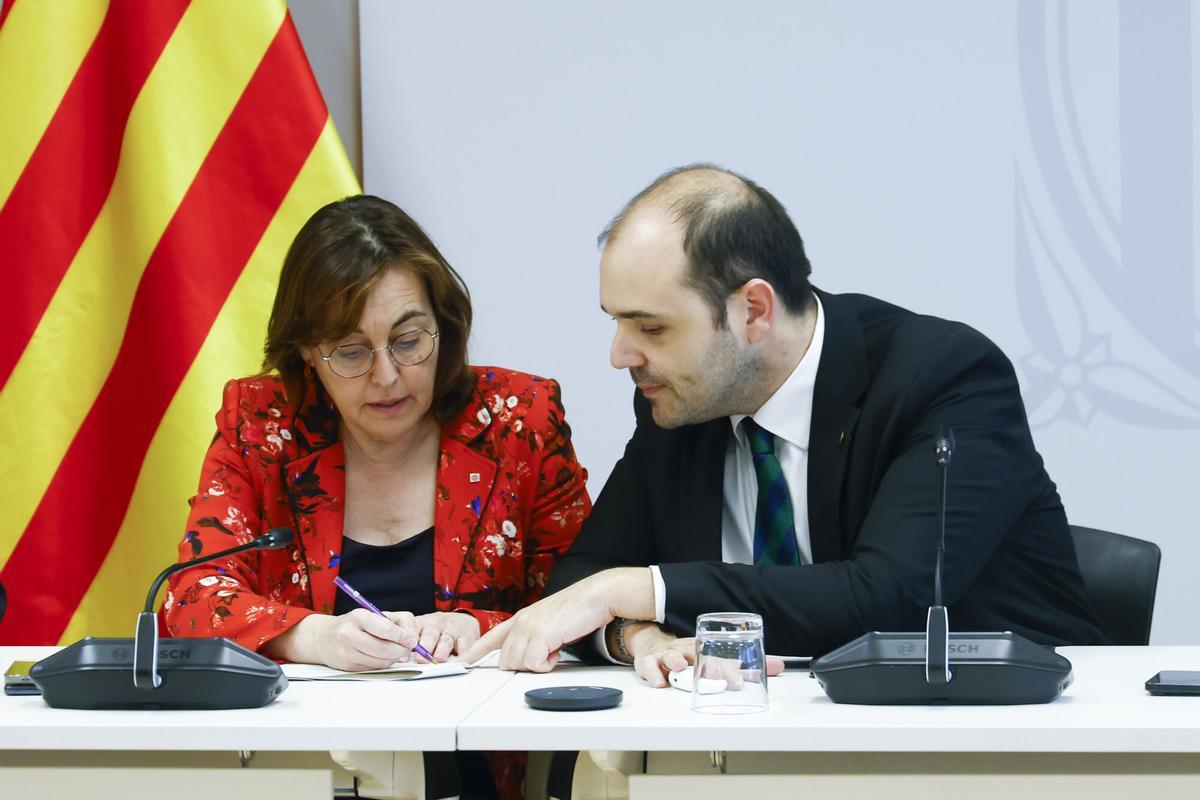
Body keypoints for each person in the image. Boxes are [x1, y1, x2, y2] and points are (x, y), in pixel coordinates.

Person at [466, 164, 1109, 686]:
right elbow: (585, 581)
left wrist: (641, 589)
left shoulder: (945, 379)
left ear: (753, 310)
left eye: (650, 327)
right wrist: (639, 633)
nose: (621, 355)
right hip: (769, 743)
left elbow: (890, 601)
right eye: (616, 322)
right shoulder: (678, 403)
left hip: (1002, 739)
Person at [164, 194, 590, 798]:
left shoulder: (518, 421)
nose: (386, 376)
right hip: (303, 777)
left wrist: (479, 629)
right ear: (309, 352)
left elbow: (588, 604)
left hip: (485, 776)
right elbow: (189, 601)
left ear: (444, 326)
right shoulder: (262, 424)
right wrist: (312, 637)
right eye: (351, 351)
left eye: (409, 340)